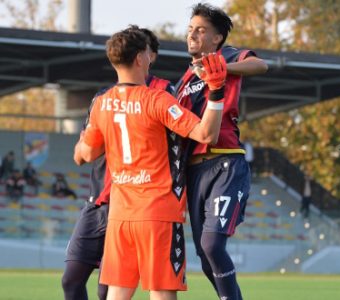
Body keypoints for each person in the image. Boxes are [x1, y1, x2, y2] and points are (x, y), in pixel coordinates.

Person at [78, 25, 226, 300]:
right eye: (147, 51)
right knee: (161, 293)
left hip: (121, 216)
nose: (150, 57)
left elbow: (86, 153)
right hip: (157, 213)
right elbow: (207, 134)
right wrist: (216, 92)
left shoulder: (102, 103)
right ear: (139, 59)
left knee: (117, 294)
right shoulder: (157, 100)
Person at [61, 27, 174, 300]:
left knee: (109, 288)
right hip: (100, 199)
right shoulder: (104, 97)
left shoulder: (164, 93)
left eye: (145, 48)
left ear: (150, 56)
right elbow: (84, 153)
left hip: (138, 202)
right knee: (71, 279)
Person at [175, 3, 268, 300]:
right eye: (191, 29)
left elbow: (260, 65)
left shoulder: (226, 56)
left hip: (225, 161)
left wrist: (222, 69)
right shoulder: (183, 81)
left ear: (216, 38)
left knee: (213, 245)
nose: (193, 35)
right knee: (205, 256)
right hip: (194, 170)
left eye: (200, 30)